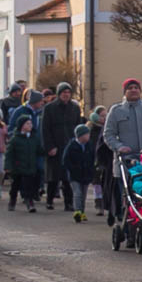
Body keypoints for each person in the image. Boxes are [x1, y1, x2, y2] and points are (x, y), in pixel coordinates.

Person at [103, 78, 142, 219]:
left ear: (140, 90)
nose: (133, 90)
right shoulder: (116, 110)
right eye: (130, 88)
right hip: (126, 164)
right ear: (125, 92)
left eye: (136, 88)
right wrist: (119, 147)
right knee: (127, 198)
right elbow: (108, 134)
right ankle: (129, 226)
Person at [40, 81, 82, 211]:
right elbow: (45, 129)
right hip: (55, 145)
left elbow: (78, 127)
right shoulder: (49, 108)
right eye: (64, 92)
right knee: (53, 176)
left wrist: (78, 145)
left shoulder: (75, 108)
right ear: (59, 94)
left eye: (68, 92)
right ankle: (50, 200)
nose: (66, 95)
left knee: (68, 177)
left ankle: (68, 203)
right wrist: (49, 146)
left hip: (69, 146)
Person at [7, 115, 43, 212]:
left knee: (29, 186)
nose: (30, 125)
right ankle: (12, 200)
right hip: (18, 167)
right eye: (27, 123)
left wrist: (46, 151)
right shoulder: (15, 139)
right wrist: (8, 166)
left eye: (31, 123)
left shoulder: (34, 138)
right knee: (15, 186)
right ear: (22, 126)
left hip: (30, 167)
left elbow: (39, 150)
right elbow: (9, 153)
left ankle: (30, 202)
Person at [63, 124, 94, 223]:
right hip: (74, 175)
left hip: (86, 174)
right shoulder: (72, 146)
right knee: (77, 193)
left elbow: (93, 158)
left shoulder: (89, 145)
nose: (89, 136)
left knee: (84, 194)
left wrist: (92, 169)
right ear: (80, 136)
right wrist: (72, 169)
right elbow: (65, 160)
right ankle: (77, 211)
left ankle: (82, 211)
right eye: (87, 134)